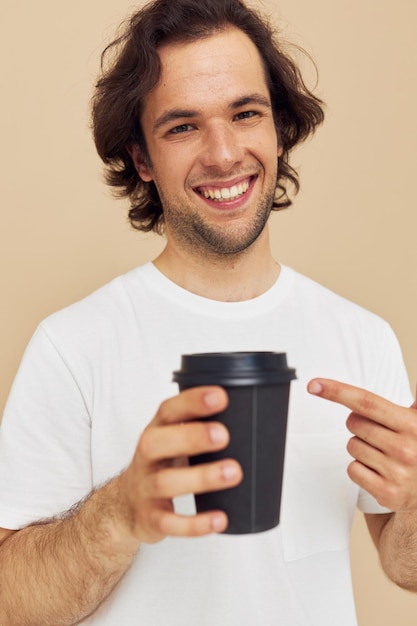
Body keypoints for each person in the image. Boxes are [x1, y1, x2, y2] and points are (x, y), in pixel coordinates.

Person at [0, 0, 416, 624]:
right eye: (182, 127)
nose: (224, 155)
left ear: (278, 130)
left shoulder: (363, 337)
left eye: (246, 114)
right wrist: (118, 512)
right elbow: (11, 602)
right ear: (142, 158)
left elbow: (402, 565)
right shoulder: (74, 345)